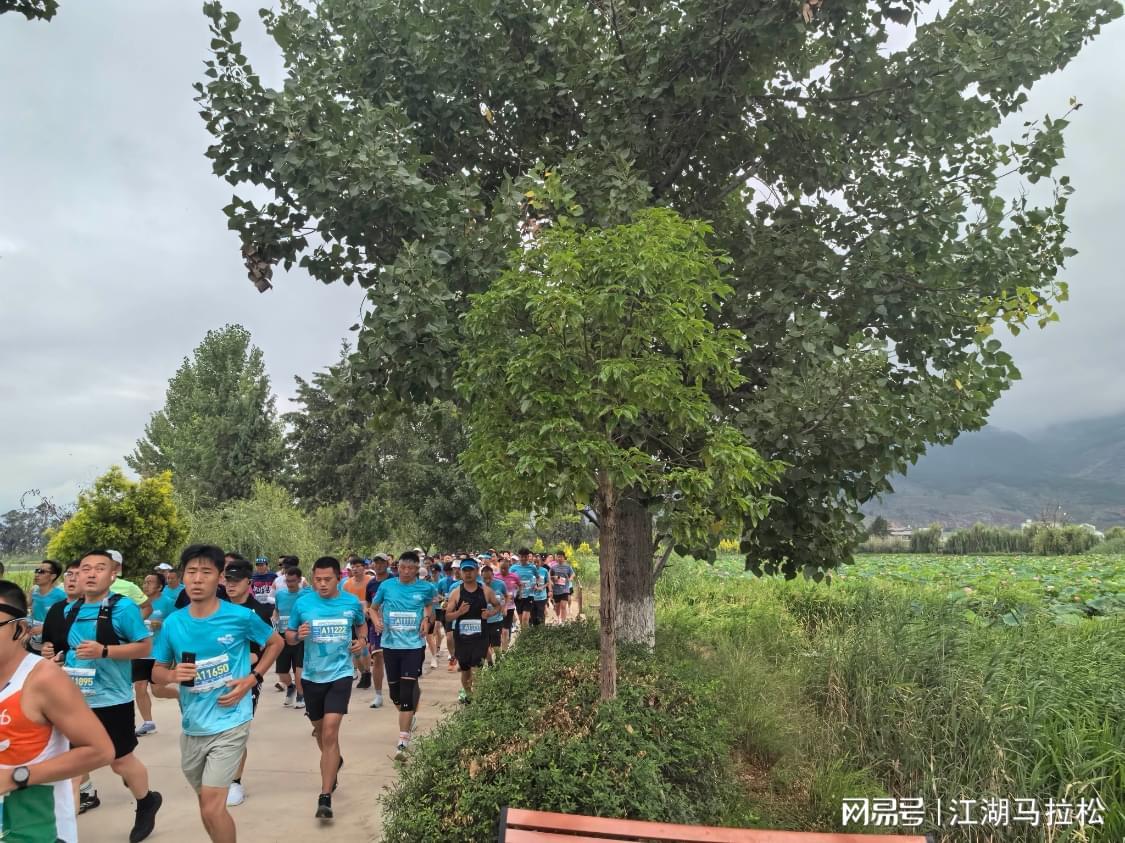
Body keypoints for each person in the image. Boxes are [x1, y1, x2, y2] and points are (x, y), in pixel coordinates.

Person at [153, 545, 282, 843]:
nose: (197, 579)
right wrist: (172, 675)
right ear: (183, 577)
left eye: (206, 572)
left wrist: (253, 678)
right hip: (193, 726)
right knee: (208, 807)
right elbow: (157, 673)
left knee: (212, 806)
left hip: (231, 720)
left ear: (219, 578)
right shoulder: (173, 623)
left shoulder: (240, 616)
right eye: (191, 572)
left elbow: (275, 643)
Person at [0, 579, 115, 843]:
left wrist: (16, 777)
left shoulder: (43, 680)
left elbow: (100, 751)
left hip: (37, 831)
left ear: (20, 629)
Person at [63, 549, 162, 842]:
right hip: (74, 700)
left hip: (112, 700)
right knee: (71, 769)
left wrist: (104, 651)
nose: (91, 574)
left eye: (99, 568)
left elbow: (144, 646)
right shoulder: (70, 610)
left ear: (112, 574)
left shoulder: (123, 608)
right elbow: (68, 649)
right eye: (85, 568)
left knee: (120, 761)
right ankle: (63, 833)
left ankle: (147, 801)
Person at [286, 556, 366, 819]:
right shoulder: (303, 603)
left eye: (327, 579)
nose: (322, 584)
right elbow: (289, 635)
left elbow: (361, 625)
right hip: (312, 677)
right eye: (318, 579)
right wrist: (297, 636)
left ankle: (325, 796)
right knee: (320, 731)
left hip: (340, 674)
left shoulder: (350, 603)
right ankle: (334, 762)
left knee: (330, 732)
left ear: (338, 578)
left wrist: (362, 641)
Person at [219, 557, 278, 807]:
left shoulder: (260, 612)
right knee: (218, 729)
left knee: (236, 728)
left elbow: (270, 647)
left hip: (246, 679)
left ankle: (235, 781)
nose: (230, 585)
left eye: (236, 580)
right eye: (227, 580)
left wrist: (255, 672)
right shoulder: (216, 609)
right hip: (216, 676)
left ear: (249, 583)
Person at [369, 551, 436, 761]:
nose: (406, 572)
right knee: (394, 695)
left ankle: (402, 741)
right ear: (397, 567)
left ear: (417, 569)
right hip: (390, 645)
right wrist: (376, 621)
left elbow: (429, 606)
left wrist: (426, 619)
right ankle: (409, 715)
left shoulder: (426, 587)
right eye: (402, 568)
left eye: (410, 568)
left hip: (414, 646)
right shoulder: (386, 586)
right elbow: (373, 608)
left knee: (407, 692)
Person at [445, 558, 503, 703]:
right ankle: (469, 695)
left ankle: (477, 700)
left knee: (477, 670)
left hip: (480, 637)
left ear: (477, 571)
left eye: (471, 570)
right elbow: (447, 616)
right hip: (462, 639)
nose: (468, 573)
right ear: (461, 572)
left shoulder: (486, 591)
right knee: (465, 671)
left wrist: (490, 613)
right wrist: (459, 612)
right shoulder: (456, 593)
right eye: (465, 570)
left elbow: (498, 605)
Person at [134, 572, 178, 737]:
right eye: (145, 582)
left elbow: (178, 622)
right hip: (141, 649)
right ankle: (148, 723)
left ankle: (180, 695)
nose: (146, 585)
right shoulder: (138, 603)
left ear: (160, 586)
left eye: (150, 582)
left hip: (160, 650)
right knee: (139, 686)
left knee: (157, 690)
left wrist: (162, 624)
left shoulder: (168, 603)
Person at [273, 566, 309, 708]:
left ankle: (301, 695)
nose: (289, 584)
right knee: (281, 672)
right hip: (282, 636)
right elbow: (276, 610)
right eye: (287, 581)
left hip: (299, 636)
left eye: (293, 581)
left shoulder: (306, 595)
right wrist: (274, 619)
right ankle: (290, 687)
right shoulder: (280, 594)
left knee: (298, 669)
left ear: (299, 580)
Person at [364, 553, 395, 708]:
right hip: (376, 626)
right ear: (373, 565)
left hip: (394, 626)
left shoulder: (394, 581)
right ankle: (378, 695)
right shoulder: (371, 584)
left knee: (393, 658)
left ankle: (397, 690)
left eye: (382, 562)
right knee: (377, 657)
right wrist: (368, 612)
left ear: (387, 564)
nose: (379, 565)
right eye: (376, 562)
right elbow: (369, 604)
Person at [341, 556, 373, 689]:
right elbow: (343, 601)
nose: (355, 569)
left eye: (358, 566)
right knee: (354, 649)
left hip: (368, 618)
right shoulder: (346, 584)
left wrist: (369, 610)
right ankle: (363, 673)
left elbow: (375, 599)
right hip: (352, 619)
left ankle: (367, 672)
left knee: (364, 646)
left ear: (364, 567)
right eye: (352, 567)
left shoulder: (370, 581)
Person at [27, 559, 66, 653]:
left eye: (42, 571)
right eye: (37, 570)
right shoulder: (34, 590)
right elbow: (25, 606)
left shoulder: (61, 595)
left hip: (50, 638)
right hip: (33, 635)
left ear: (53, 576)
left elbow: (65, 619)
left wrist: (45, 628)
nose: (37, 574)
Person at [479, 564, 506, 666]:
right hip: (483, 621)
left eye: (489, 578)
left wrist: (504, 607)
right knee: (484, 645)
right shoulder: (478, 587)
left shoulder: (500, 584)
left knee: (496, 644)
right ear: (481, 576)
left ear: (493, 575)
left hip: (496, 620)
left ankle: (498, 662)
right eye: (485, 578)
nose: (487, 580)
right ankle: (490, 664)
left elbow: (506, 596)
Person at [510, 548, 541, 629]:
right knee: (521, 620)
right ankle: (525, 634)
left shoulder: (532, 567)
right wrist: (515, 585)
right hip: (518, 595)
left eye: (525, 556)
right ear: (519, 556)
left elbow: (538, 577)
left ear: (528, 556)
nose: (523, 559)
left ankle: (526, 636)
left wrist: (536, 584)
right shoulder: (513, 568)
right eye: (521, 557)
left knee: (525, 619)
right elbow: (509, 579)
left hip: (529, 595)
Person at [495, 556, 521, 651]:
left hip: (510, 606)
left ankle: (504, 651)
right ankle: (503, 646)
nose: (503, 570)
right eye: (501, 568)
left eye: (505, 568)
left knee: (505, 630)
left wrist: (518, 593)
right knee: (500, 630)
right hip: (498, 607)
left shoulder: (514, 576)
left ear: (508, 568)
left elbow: (520, 585)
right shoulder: (495, 577)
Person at [550, 553, 575, 622]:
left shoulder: (568, 567)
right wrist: (553, 578)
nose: (559, 558)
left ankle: (563, 623)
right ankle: (558, 618)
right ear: (556, 558)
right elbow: (549, 576)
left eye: (561, 557)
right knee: (557, 607)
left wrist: (570, 578)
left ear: (564, 558)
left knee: (563, 606)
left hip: (565, 589)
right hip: (556, 590)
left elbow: (573, 574)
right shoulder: (553, 567)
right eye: (558, 557)